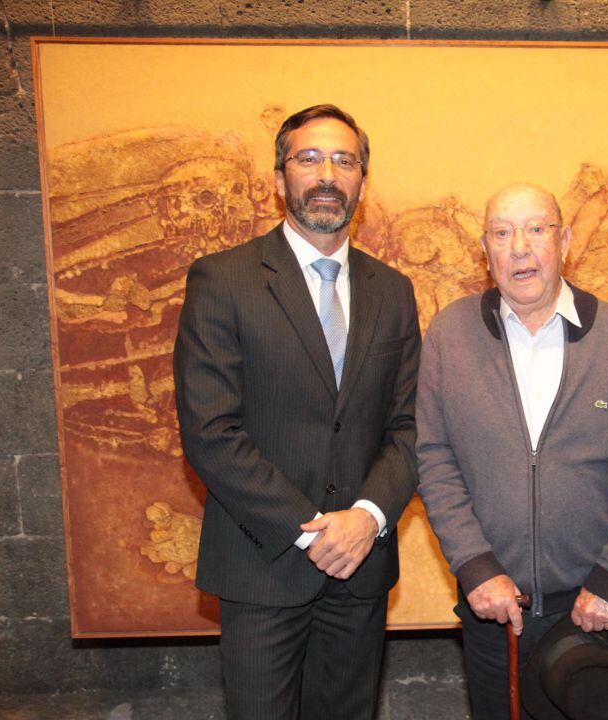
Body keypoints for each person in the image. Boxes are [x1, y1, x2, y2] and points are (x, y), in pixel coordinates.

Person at [174, 104, 421, 720]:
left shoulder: (393, 290)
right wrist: (312, 528)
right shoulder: (223, 280)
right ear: (279, 178)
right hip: (264, 567)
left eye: (344, 160)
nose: (327, 174)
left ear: (363, 180)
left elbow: (412, 426)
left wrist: (365, 518)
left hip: (359, 570)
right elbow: (211, 432)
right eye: (308, 159)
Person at [416, 183, 608, 719]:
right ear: (485, 250)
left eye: (536, 229)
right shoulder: (450, 336)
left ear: (564, 242)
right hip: (497, 611)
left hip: (601, 609)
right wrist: (474, 566)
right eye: (502, 232)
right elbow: (433, 455)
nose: (519, 247)